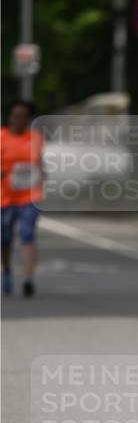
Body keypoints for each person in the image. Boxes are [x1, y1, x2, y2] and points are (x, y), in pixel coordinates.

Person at [1, 100, 43, 296]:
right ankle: (7, 270)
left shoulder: (35, 137)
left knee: (27, 233)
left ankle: (28, 279)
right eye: (16, 115)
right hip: (5, 197)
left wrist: (42, 175)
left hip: (29, 196)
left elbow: (39, 162)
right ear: (10, 117)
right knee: (5, 238)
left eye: (23, 116)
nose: (19, 119)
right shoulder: (1, 137)